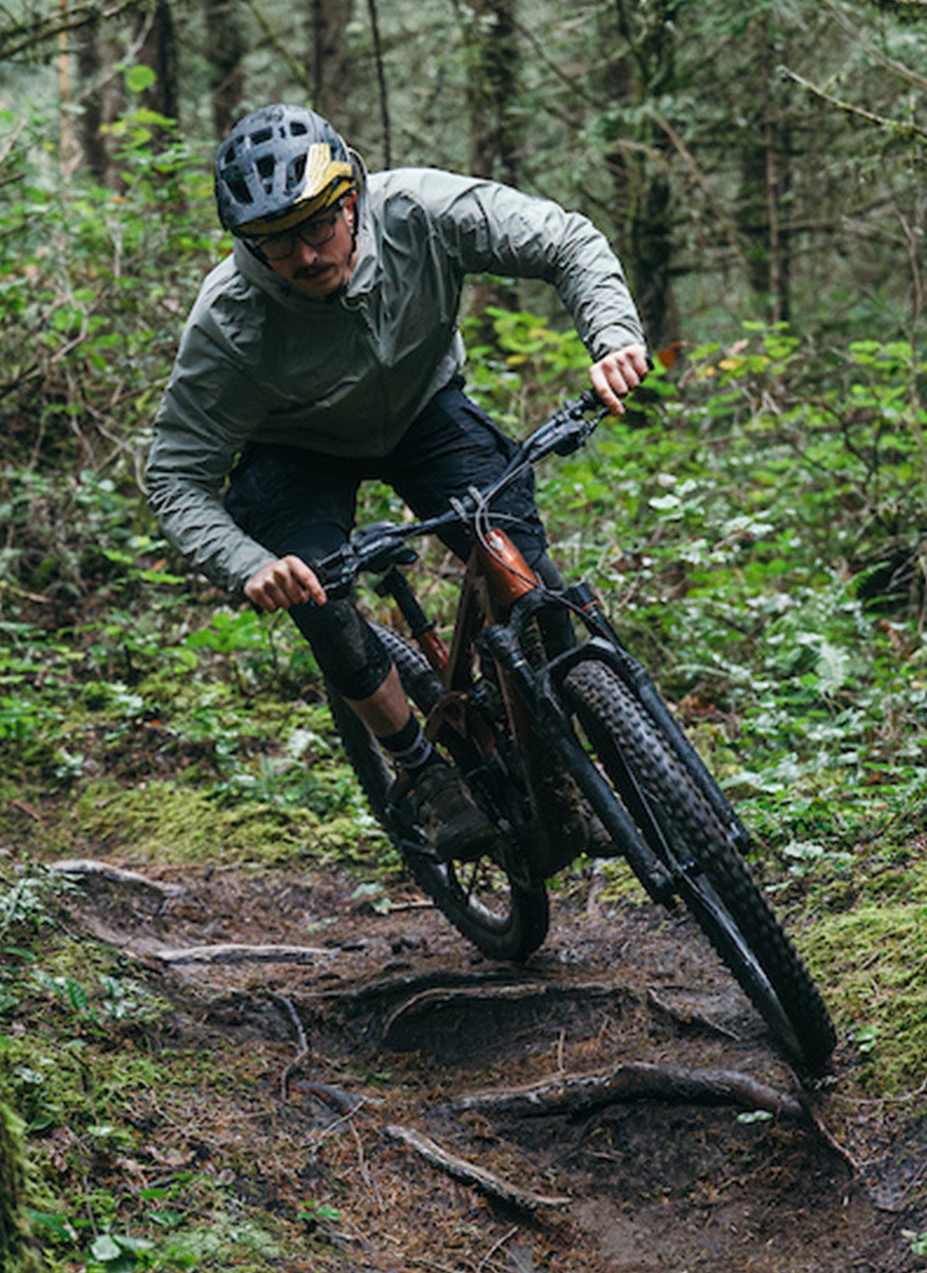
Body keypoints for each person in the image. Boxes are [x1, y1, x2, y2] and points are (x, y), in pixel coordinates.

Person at [144, 103, 651, 859]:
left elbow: (566, 240)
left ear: (350, 198)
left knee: (531, 582)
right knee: (315, 588)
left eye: (317, 225)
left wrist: (611, 336)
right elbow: (176, 474)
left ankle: (552, 754)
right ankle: (417, 768)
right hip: (297, 449)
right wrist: (251, 566)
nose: (305, 255)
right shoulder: (230, 319)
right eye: (275, 242)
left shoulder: (420, 211)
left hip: (422, 411)